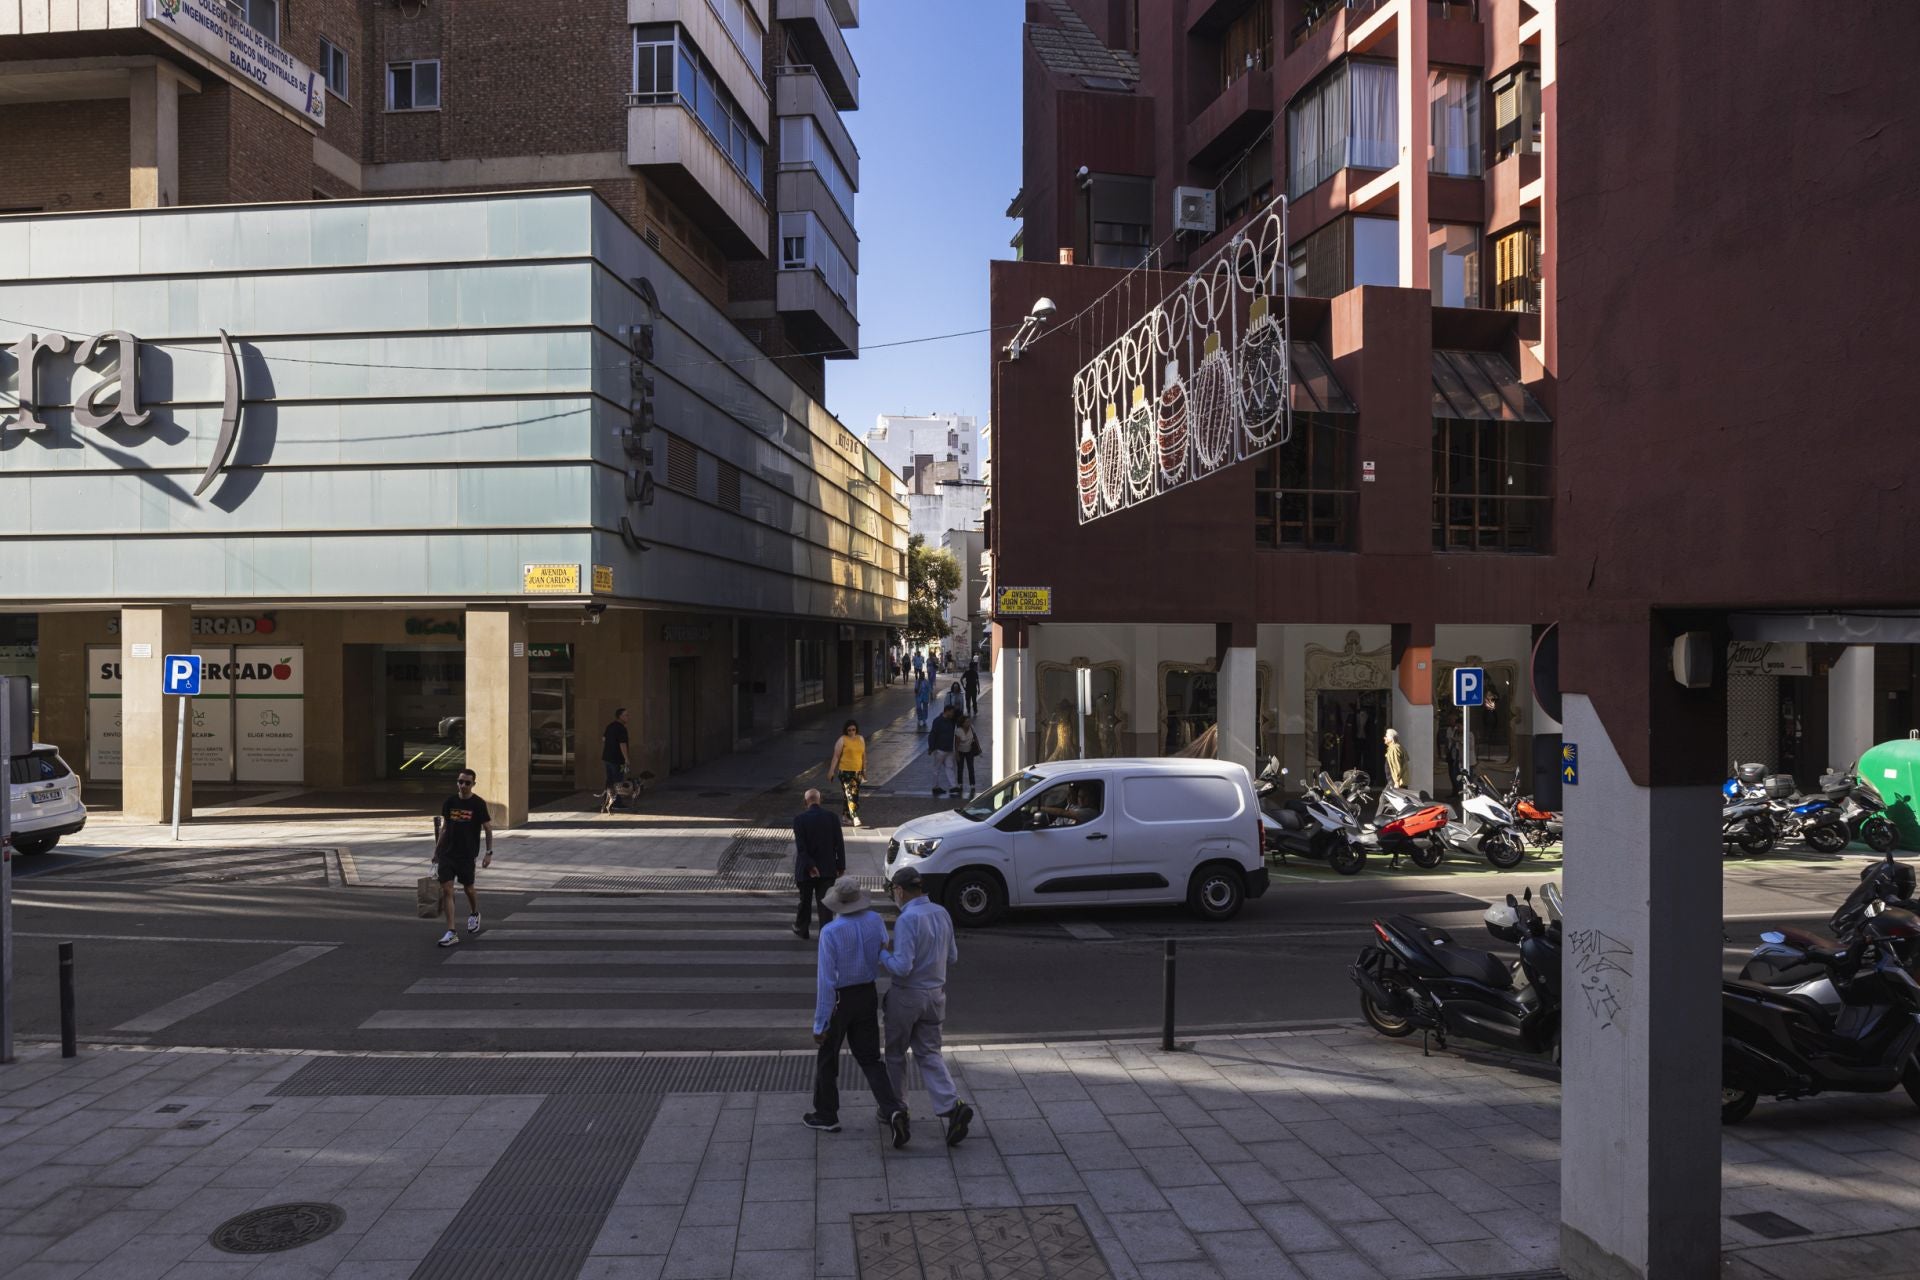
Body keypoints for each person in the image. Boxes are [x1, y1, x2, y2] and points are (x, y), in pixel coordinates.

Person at [806, 875, 912, 1147]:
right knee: (870, 1059)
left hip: (841, 999)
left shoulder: (831, 932)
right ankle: (893, 1109)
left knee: (828, 1056)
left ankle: (827, 1114)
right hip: (866, 993)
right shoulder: (874, 920)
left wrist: (820, 1024)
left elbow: (826, 981)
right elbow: (883, 948)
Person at [880, 866, 972, 1146]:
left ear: (899, 890)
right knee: (930, 1052)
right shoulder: (941, 912)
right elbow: (952, 956)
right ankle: (951, 1106)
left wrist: (882, 954)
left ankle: (898, 1110)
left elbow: (902, 966)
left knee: (895, 1053)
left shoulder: (908, 919)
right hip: (936, 994)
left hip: (907, 995)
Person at [432, 768, 493, 947]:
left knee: (469, 889)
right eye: (460, 782)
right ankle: (451, 932)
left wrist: (488, 853)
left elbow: (488, 828)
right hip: (447, 853)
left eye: (467, 782)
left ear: (473, 784)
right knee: (447, 890)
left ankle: (474, 913)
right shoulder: (450, 802)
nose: (463, 785)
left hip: (467, 854)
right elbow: (444, 827)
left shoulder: (478, 804)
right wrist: (436, 852)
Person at [792, 788, 844, 939]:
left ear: (805, 802)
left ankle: (802, 929)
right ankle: (825, 934)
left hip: (805, 870)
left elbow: (801, 848)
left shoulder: (799, 819)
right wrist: (840, 865)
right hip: (827, 868)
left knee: (805, 901)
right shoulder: (832, 817)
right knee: (825, 905)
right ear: (819, 800)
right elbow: (839, 844)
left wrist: (810, 866)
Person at [827, 719, 867, 828]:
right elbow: (836, 756)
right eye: (849, 730)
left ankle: (845, 817)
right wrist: (831, 771)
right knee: (851, 793)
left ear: (856, 729)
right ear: (846, 731)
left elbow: (863, 756)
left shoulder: (861, 739)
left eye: (853, 729)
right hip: (845, 772)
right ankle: (854, 816)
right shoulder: (842, 740)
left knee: (849, 794)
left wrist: (864, 770)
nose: (851, 732)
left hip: (857, 772)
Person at [600, 707, 631, 809]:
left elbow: (604, 738)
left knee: (610, 781)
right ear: (620, 716)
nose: (628, 717)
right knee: (618, 781)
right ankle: (616, 803)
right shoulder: (621, 728)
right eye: (626, 715)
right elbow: (622, 744)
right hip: (617, 759)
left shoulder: (610, 726)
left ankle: (606, 801)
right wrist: (626, 758)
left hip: (607, 758)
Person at [927, 705, 958, 796]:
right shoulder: (938, 721)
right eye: (952, 712)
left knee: (950, 767)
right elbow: (933, 734)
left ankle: (953, 786)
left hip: (948, 749)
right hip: (940, 749)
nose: (953, 714)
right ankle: (935, 786)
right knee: (937, 769)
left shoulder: (951, 721)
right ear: (947, 711)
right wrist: (931, 747)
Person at [952, 716, 979, 795]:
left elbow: (975, 736)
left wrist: (978, 747)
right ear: (962, 723)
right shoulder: (958, 731)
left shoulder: (971, 727)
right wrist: (957, 754)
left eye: (969, 721)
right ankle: (960, 784)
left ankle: (972, 784)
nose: (968, 723)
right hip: (960, 751)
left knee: (971, 767)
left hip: (970, 750)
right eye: (967, 722)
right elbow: (956, 744)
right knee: (960, 768)